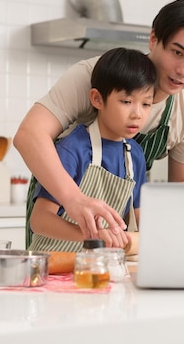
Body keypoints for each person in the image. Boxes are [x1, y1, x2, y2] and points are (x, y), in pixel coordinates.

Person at [14, 0, 184, 247]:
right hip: (59, 211)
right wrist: (74, 199)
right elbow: (29, 135)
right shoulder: (95, 76)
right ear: (154, 39)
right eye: (177, 53)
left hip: (114, 241)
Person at [28, 47, 156, 252]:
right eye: (126, 101)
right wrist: (92, 236)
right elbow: (40, 220)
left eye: (146, 104)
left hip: (99, 269)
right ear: (97, 99)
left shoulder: (134, 156)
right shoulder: (74, 149)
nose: (137, 114)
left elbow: (140, 220)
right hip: (56, 269)